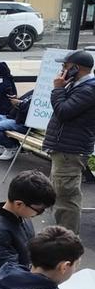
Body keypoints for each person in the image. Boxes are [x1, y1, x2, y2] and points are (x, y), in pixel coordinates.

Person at [43, 50, 95, 233]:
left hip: (70, 152)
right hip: (65, 149)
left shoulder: (89, 89)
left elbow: (63, 112)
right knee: (60, 195)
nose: (62, 70)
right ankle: (61, 238)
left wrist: (58, 89)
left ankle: (66, 244)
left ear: (75, 68)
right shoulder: (77, 86)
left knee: (66, 200)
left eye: (65, 66)